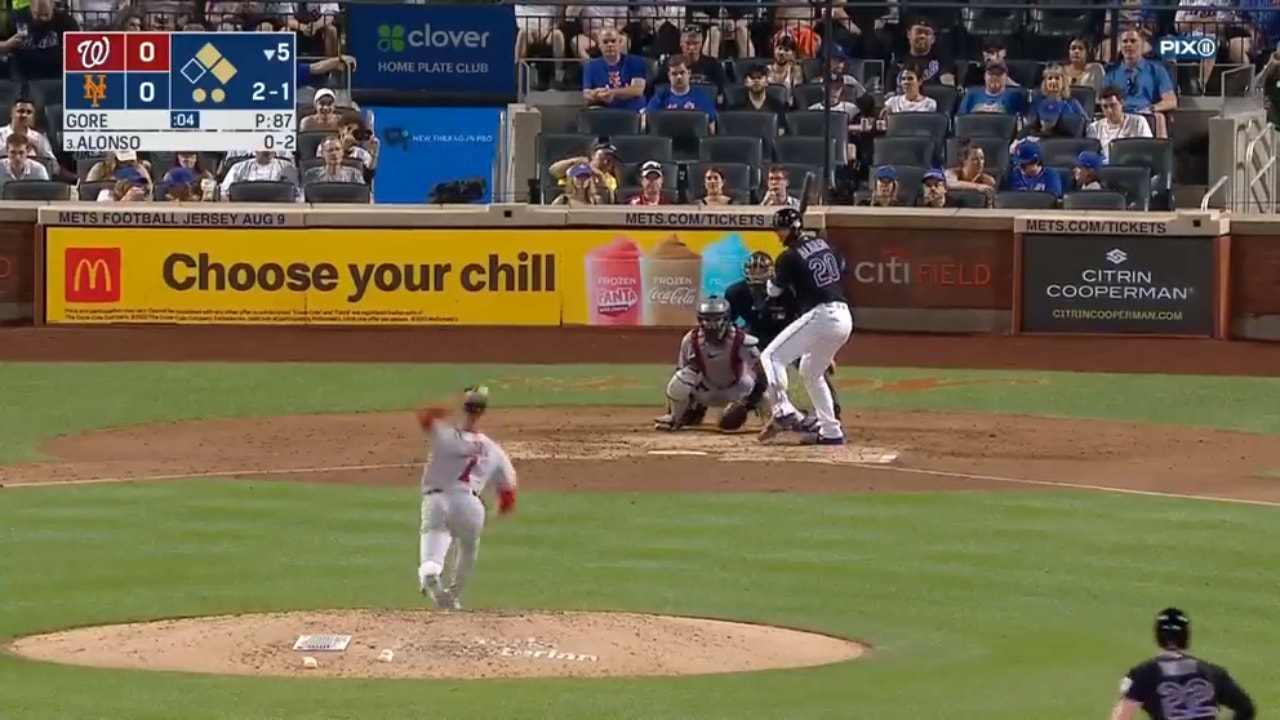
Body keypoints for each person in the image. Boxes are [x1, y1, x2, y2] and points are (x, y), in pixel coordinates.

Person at [415, 386, 517, 611]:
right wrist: (503, 504)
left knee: (434, 538)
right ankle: (454, 594)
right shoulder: (493, 448)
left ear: (465, 409)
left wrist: (444, 405)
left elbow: (425, 417)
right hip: (470, 504)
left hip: (437, 500)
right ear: (482, 412)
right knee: (469, 547)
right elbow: (508, 491)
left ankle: (431, 571)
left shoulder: (445, 433)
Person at [757, 207, 852, 446]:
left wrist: (770, 281)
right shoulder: (822, 243)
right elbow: (841, 266)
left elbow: (774, 291)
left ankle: (782, 411)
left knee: (771, 356)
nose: (778, 235)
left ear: (793, 228)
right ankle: (831, 431)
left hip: (822, 315)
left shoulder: (787, 257)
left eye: (781, 229)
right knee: (810, 371)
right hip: (844, 318)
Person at [724, 251, 842, 425]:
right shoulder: (735, 292)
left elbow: (806, 318)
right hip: (756, 335)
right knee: (759, 368)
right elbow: (728, 324)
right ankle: (750, 403)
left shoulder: (787, 292)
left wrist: (821, 351)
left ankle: (832, 411)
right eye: (753, 269)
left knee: (814, 367)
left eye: (762, 270)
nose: (757, 275)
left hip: (787, 332)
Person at [1108, 608, 1255, 720]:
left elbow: (1123, 716)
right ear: (1186, 637)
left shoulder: (1143, 674)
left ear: (1157, 636)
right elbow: (1246, 708)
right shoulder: (1213, 672)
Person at [653, 297, 761, 431]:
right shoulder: (690, 339)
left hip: (738, 391)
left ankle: (775, 418)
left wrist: (749, 403)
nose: (712, 324)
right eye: (707, 319)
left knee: (767, 389)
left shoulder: (743, 340)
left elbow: (761, 372)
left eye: (717, 319)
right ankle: (675, 417)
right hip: (706, 391)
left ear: (727, 319)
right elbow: (681, 369)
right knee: (681, 378)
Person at [1102, 27, 1177, 138]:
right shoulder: (1111, 74)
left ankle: (1161, 153)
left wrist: (1151, 109)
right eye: (1125, 42)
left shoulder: (1157, 70)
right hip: (1120, 116)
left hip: (1146, 114)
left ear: (1142, 45)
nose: (1128, 45)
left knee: (1159, 117)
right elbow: (1104, 101)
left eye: (1133, 41)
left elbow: (1171, 101)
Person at [643, 54, 718, 133]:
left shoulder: (701, 97)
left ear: (689, 73)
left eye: (682, 73)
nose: (679, 77)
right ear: (669, 76)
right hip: (665, 142)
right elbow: (647, 118)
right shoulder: (660, 97)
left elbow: (712, 124)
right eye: (674, 74)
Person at [581, 28, 648, 111]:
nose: (609, 45)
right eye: (605, 42)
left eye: (613, 41)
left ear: (619, 43)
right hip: (605, 112)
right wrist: (597, 95)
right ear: (599, 45)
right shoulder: (590, 66)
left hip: (634, 111)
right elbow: (587, 94)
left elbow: (637, 90)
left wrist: (610, 92)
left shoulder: (635, 61)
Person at [1088, 85, 1155, 160]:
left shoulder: (1139, 122)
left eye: (1112, 105)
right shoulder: (1094, 128)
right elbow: (1092, 156)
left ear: (1121, 103)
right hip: (1105, 169)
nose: (1109, 110)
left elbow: (1147, 149)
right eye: (1105, 107)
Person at [958, 61, 1025, 115]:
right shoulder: (971, 94)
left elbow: (1021, 121)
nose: (994, 77)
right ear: (985, 76)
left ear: (1006, 78)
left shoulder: (1015, 96)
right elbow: (960, 120)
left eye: (999, 74)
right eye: (991, 74)